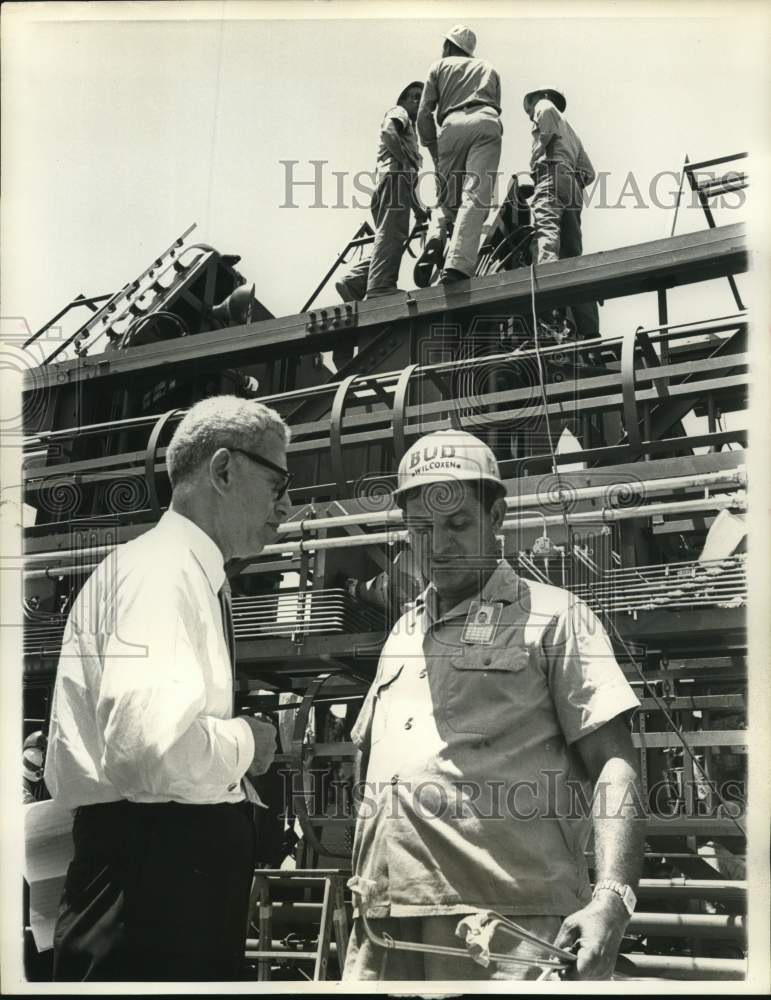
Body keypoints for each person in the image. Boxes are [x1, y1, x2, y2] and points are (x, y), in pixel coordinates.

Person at [343, 429, 646, 981]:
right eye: (421, 530)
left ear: (497, 516)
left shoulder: (555, 618)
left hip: (507, 934)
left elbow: (614, 763)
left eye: (457, 525)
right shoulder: (402, 633)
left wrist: (612, 899)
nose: (438, 546)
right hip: (384, 927)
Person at [44, 396, 291, 981]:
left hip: (154, 884)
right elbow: (151, 754)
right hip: (156, 902)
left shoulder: (171, 571)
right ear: (224, 470)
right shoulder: (164, 574)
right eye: (279, 482)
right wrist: (248, 743)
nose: (288, 506)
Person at [416, 25, 502, 285]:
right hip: (487, 121)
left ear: (448, 46)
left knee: (446, 201)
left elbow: (424, 114)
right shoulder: (489, 68)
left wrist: (432, 147)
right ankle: (457, 265)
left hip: (451, 125)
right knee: (475, 197)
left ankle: (436, 236)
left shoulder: (438, 67)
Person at [336, 81, 426, 304]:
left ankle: (354, 281)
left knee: (390, 237)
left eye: (421, 98)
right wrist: (404, 162)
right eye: (414, 96)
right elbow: (388, 132)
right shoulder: (399, 112)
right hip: (394, 180)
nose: (418, 101)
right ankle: (380, 287)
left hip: (397, 184)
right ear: (403, 100)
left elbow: (411, 175)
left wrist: (419, 210)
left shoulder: (412, 134)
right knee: (391, 235)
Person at [524, 86, 600, 339]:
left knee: (547, 238)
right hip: (572, 186)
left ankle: (550, 306)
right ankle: (589, 329)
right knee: (573, 256)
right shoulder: (572, 132)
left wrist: (534, 164)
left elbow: (543, 128)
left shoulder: (544, 107)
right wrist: (572, 183)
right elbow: (589, 172)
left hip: (550, 175)